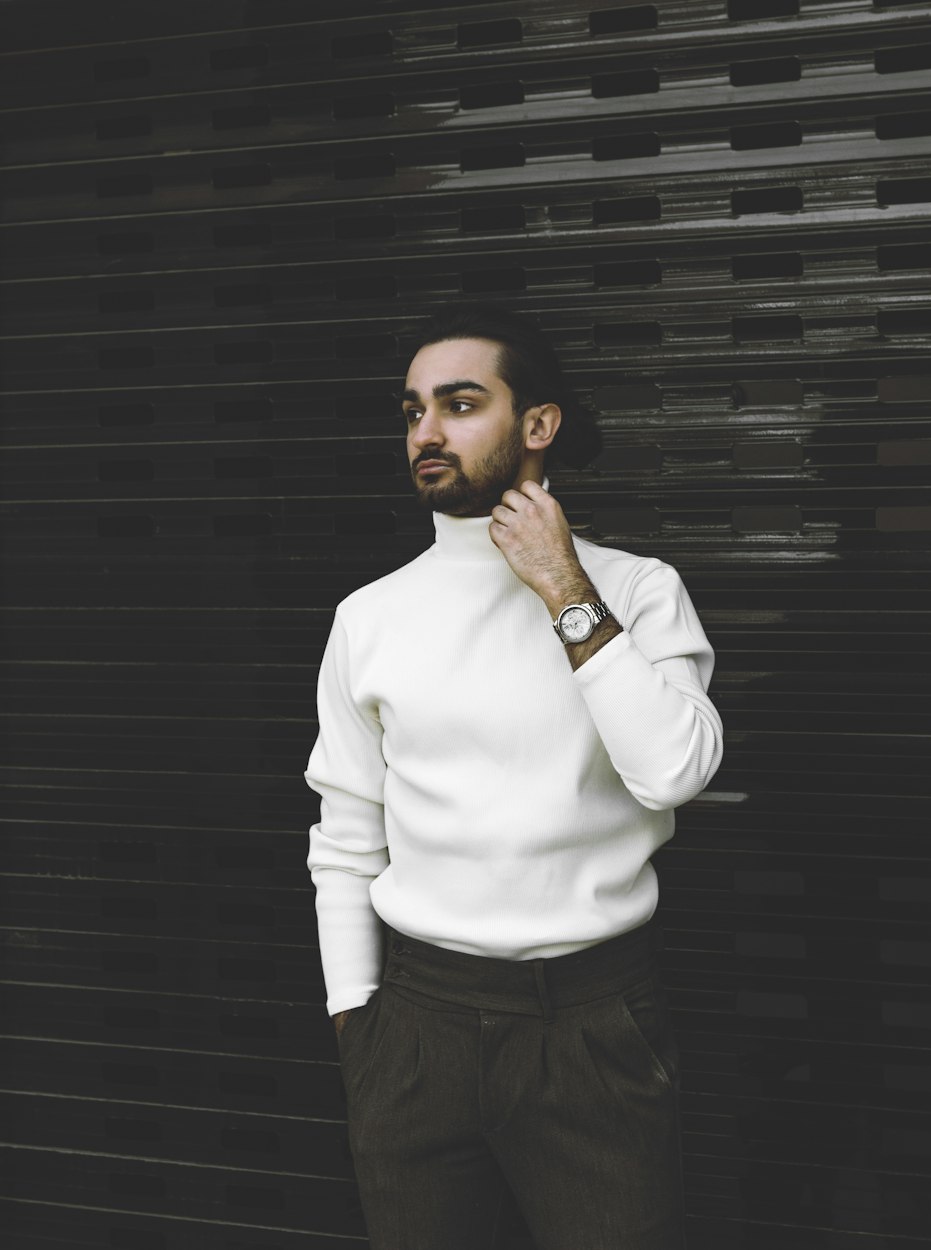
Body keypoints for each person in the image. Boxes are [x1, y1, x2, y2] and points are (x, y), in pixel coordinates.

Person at [304, 303, 723, 1250]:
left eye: (459, 404)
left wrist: (563, 587)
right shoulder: (368, 617)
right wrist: (354, 1021)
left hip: (590, 1026)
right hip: (414, 1029)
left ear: (538, 427)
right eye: (413, 411)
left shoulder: (637, 590)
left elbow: (675, 772)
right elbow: (345, 837)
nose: (428, 433)